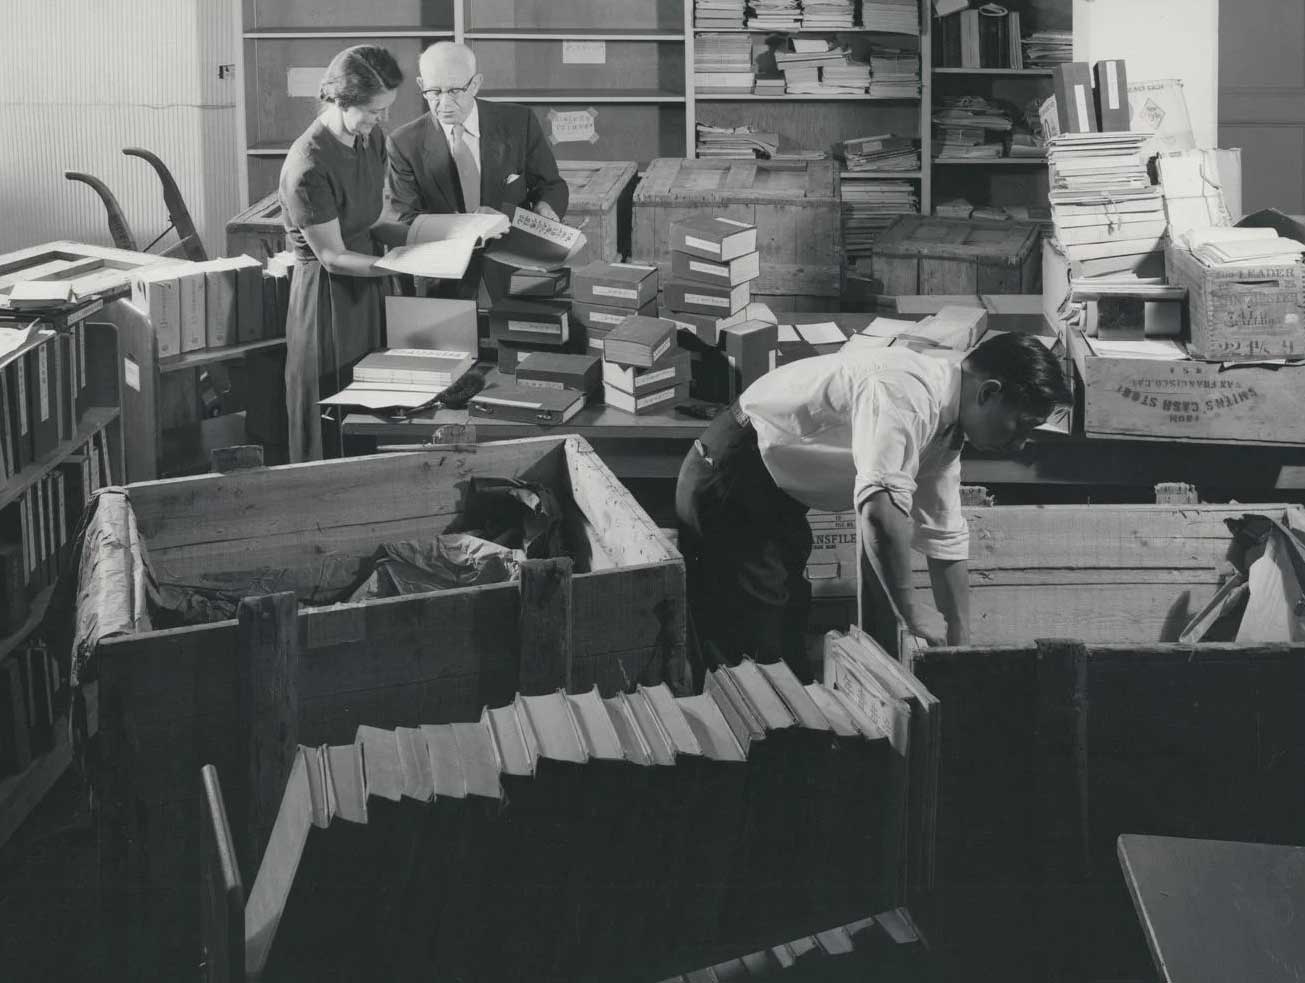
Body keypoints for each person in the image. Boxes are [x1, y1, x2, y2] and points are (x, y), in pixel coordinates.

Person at [674, 332, 1073, 683]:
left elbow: (946, 538)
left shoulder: (948, 428)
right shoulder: (908, 394)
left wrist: (959, 641)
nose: (1021, 443)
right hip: (731, 476)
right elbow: (880, 515)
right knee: (751, 654)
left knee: (786, 627)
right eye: (1020, 424)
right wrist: (913, 613)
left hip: (776, 492)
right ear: (988, 392)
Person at [278, 44, 411, 463]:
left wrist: (427, 236)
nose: (382, 120)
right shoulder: (308, 165)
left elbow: (367, 220)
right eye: (374, 110)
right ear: (340, 100)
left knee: (373, 414)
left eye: (386, 109)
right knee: (332, 418)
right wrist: (398, 263)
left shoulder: (370, 139)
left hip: (369, 289)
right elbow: (332, 255)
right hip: (328, 302)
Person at [383, 41, 570, 299]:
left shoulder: (518, 122)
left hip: (515, 271)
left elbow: (551, 185)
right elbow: (406, 220)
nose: (444, 103)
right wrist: (469, 225)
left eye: (455, 91)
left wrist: (546, 210)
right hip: (444, 279)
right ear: (420, 85)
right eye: (434, 91)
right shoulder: (404, 143)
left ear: (475, 84)